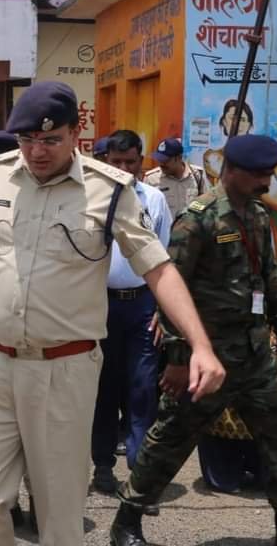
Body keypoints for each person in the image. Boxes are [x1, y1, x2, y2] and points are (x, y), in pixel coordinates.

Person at [0, 81, 225, 546]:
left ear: (75, 133)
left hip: (64, 369)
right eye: (28, 139)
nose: (37, 151)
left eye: (50, 139)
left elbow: (159, 270)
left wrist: (200, 345)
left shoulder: (109, 191)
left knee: (59, 514)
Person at [110, 134, 277, 546]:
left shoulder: (257, 215)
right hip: (205, 359)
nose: (266, 183)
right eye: (259, 175)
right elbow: (171, 290)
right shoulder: (197, 220)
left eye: (269, 175)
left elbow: (269, 278)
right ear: (231, 171)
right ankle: (126, 523)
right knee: (170, 438)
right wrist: (177, 358)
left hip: (254, 355)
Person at [91, 130, 172, 495]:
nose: (123, 168)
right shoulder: (90, 200)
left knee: (142, 389)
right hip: (100, 306)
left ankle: (140, 478)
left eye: (130, 162)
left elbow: (165, 259)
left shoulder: (154, 199)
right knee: (103, 389)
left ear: (141, 162)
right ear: (105, 161)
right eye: (116, 162)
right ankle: (102, 466)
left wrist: (161, 309)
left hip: (142, 306)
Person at [144, 137, 208, 218]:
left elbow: (204, 205)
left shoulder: (197, 175)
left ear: (179, 158)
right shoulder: (151, 179)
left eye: (165, 160)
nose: (161, 164)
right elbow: (145, 211)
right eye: (159, 159)